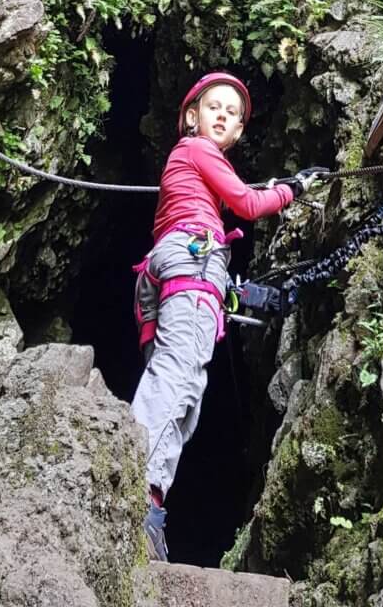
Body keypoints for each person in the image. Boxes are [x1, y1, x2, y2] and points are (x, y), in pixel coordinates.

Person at [130, 71, 325, 561]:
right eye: (213, 106)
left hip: (171, 268)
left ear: (238, 132)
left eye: (232, 113)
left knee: (182, 389)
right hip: (192, 262)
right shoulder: (197, 151)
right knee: (178, 378)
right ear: (191, 119)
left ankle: (149, 497)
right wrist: (293, 189)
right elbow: (247, 202)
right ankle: (134, 494)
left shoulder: (189, 168)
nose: (222, 115)